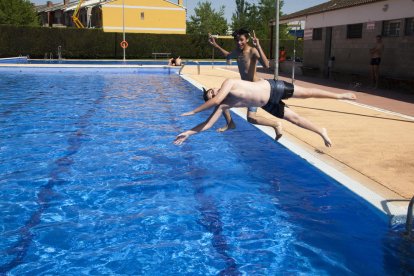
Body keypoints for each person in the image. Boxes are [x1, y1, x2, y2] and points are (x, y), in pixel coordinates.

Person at [174, 78, 356, 147]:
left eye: (212, 91)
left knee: (307, 93)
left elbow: (214, 100)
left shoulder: (228, 82)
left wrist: (193, 111)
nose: (213, 92)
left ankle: (339, 96)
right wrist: (188, 133)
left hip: (273, 87)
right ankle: (321, 131)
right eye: (211, 94)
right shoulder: (224, 104)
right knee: (295, 119)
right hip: (268, 103)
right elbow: (208, 124)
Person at [208, 28, 283, 139]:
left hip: (255, 88)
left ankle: (276, 124)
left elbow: (266, 65)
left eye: (241, 40)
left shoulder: (252, 51)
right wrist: (216, 45)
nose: (239, 43)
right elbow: (228, 56)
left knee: (251, 118)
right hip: (244, 87)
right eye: (237, 40)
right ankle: (230, 123)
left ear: (247, 39)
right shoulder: (237, 51)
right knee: (222, 100)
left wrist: (258, 45)